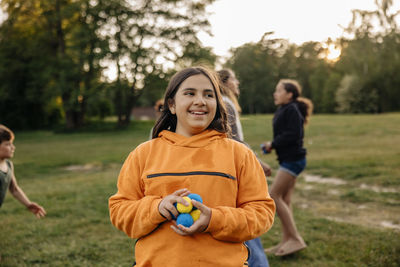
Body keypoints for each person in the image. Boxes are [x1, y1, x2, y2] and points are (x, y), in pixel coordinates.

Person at [109, 66, 276, 267]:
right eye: (190, 93)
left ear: (217, 103)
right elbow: (120, 211)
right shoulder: (143, 154)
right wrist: (157, 207)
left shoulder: (239, 154)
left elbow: (261, 213)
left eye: (209, 95)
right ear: (171, 104)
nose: (200, 101)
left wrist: (214, 219)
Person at [218, 69, 272, 267]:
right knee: (246, 221)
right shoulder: (226, 103)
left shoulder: (223, 102)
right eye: (234, 78)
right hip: (234, 169)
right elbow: (235, 140)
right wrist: (259, 162)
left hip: (230, 168)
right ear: (225, 82)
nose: (237, 82)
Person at [262, 79, 313, 257]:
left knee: (273, 195)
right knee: (285, 199)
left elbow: (294, 134)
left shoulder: (291, 109)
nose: (275, 94)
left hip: (293, 161)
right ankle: (286, 242)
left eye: (279, 91)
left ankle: (296, 238)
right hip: (289, 159)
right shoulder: (285, 109)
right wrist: (272, 145)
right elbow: (286, 134)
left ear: (289, 94)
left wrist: (272, 143)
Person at [0, 124, 46, 218]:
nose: (13, 147)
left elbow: (14, 189)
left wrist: (28, 204)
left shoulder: (8, 165)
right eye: (8, 144)